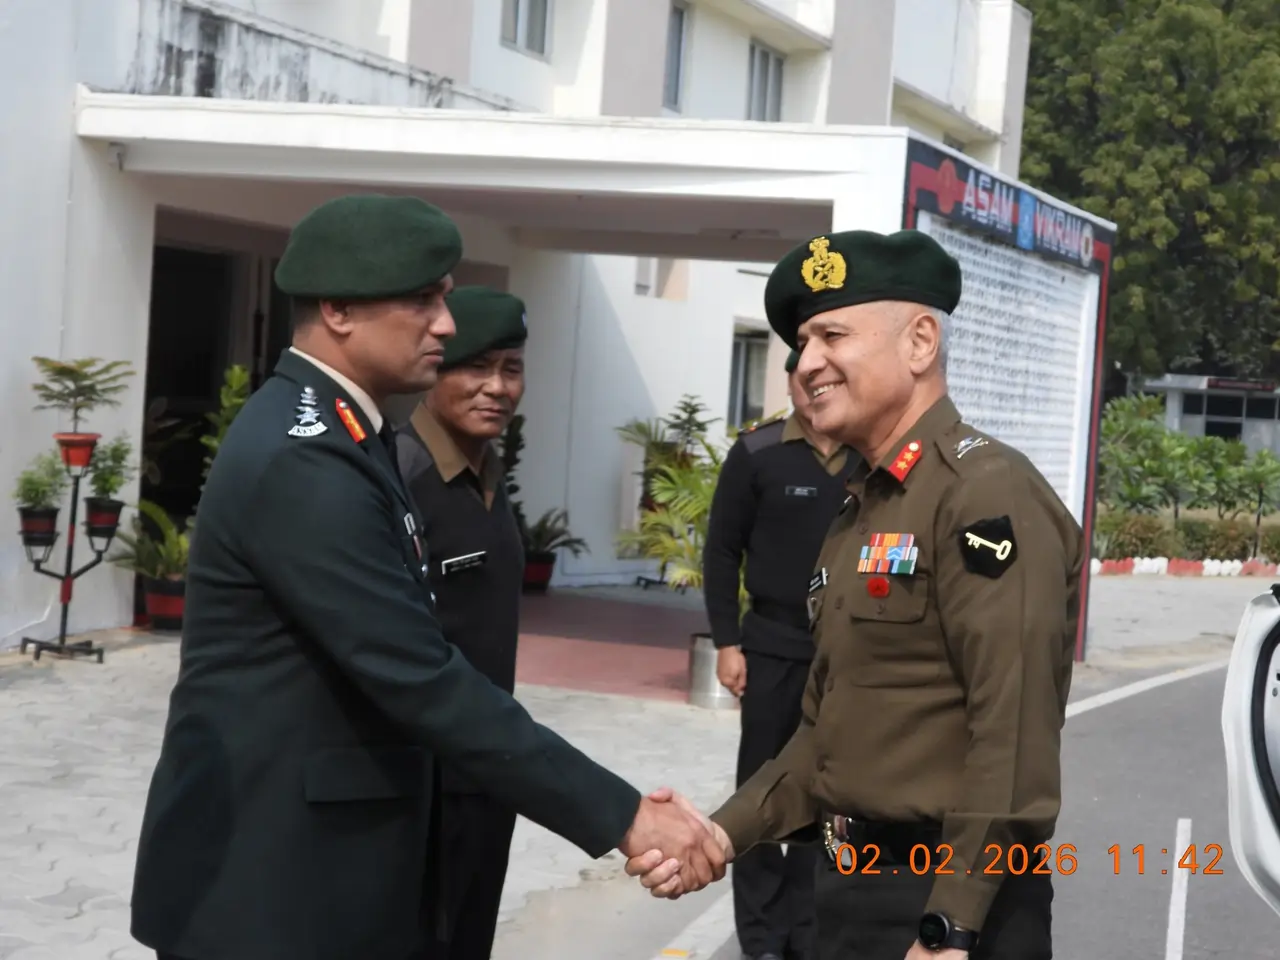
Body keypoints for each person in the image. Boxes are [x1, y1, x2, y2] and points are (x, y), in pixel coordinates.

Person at [128, 193, 725, 960]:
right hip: (274, 887)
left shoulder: (347, 432)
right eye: (421, 299)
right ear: (339, 308)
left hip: (319, 874)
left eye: (444, 296)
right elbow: (416, 672)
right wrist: (626, 816)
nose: (445, 323)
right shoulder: (305, 456)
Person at [629, 229, 1083, 960]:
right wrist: (724, 831)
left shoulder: (983, 493)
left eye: (832, 334)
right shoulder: (862, 508)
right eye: (802, 342)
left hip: (948, 904)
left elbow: (1013, 729)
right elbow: (824, 740)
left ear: (920, 342)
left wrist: (951, 925)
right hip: (848, 891)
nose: (807, 363)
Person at [702, 348, 857, 960]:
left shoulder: (867, 453)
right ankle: (762, 937)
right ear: (790, 380)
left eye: (828, 375)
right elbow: (721, 552)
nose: (815, 384)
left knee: (832, 792)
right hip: (770, 645)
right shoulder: (758, 453)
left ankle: (812, 928)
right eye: (805, 375)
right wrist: (726, 642)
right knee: (764, 791)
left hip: (844, 654)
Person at [393, 285, 530, 960]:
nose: (496, 387)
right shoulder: (396, 477)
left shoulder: (488, 476)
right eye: (475, 366)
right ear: (435, 368)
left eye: (511, 368)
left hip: (485, 772)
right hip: (414, 788)